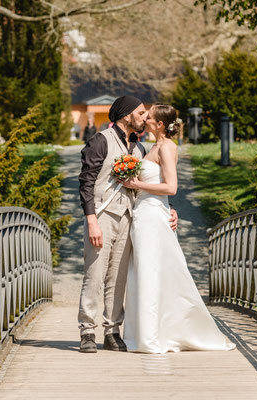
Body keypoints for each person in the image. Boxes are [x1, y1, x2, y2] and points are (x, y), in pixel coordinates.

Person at [122, 104, 236, 353]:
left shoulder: (167, 147)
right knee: (143, 270)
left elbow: (171, 187)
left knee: (152, 270)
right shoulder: (152, 146)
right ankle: (144, 333)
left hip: (153, 216)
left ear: (159, 124)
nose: (145, 119)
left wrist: (137, 183)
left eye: (149, 117)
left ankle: (153, 337)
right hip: (143, 213)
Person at [77, 95, 178, 353]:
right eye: (141, 112)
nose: (145, 117)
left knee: (118, 277)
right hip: (102, 215)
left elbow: (149, 185)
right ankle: (87, 330)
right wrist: (91, 220)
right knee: (95, 273)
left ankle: (112, 330)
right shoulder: (100, 141)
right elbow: (86, 182)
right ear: (125, 115)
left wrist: (169, 208)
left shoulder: (140, 149)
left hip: (130, 217)